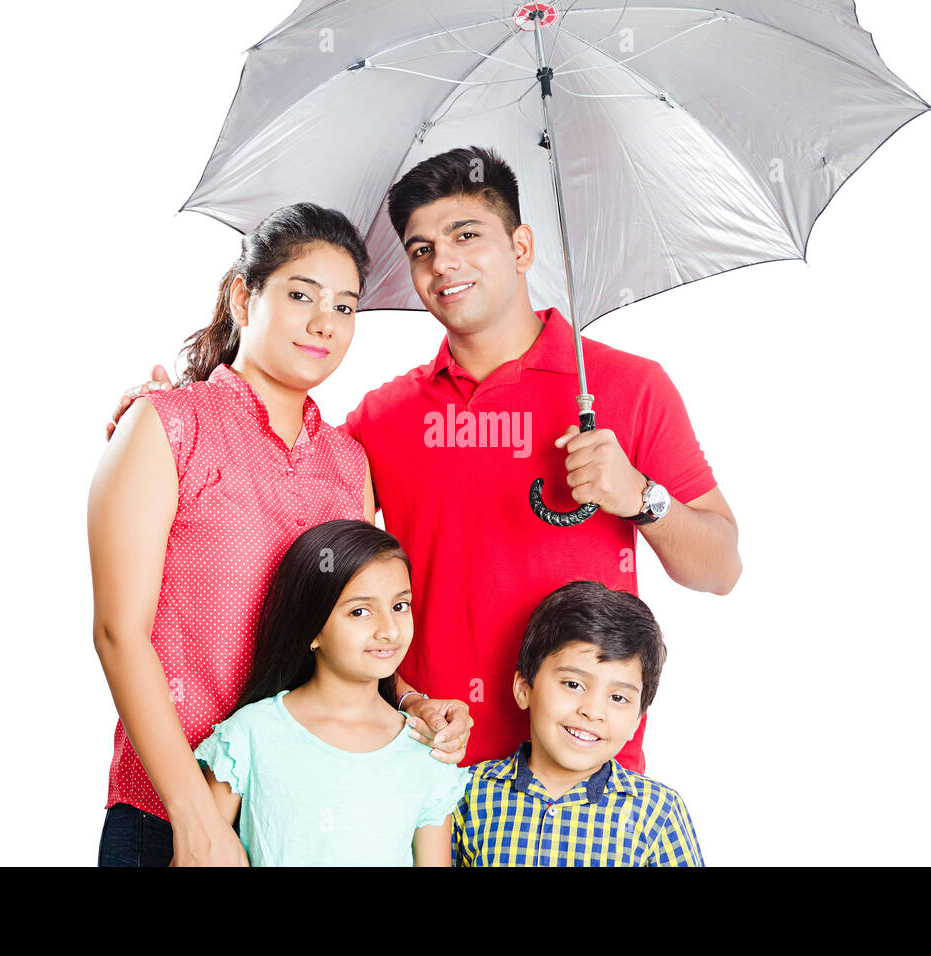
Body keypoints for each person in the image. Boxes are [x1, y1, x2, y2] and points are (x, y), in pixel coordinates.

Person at [108, 145, 740, 774]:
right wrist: (170, 416)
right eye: (421, 250)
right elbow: (280, 478)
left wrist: (642, 497)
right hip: (423, 773)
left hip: (580, 780)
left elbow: (720, 569)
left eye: (466, 234)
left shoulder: (630, 387)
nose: (445, 263)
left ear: (522, 247)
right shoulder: (385, 417)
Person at [89, 203, 380, 867]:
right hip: (167, 816)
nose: (323, 324)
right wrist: (196, 816)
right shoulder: (167, 426)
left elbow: (353, 638)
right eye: (301, 295)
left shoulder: (349, 463)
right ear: (243, 298)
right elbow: (117, 633)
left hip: (305, 824)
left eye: (344, 307)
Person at [193, 519, 469, 866]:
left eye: (400, 606)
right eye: (360, 611)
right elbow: (199, 856)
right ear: (312, 630)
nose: (389, 629)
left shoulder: (427, 751)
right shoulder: (248, 736)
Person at [452, 580, 704, 866]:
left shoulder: (657, 812)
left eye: (619, 698)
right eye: (573, 684)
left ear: (638, 720)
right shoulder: (466, 793)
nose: (593, 711)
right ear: (524, 688)